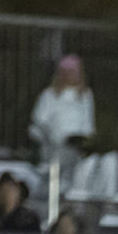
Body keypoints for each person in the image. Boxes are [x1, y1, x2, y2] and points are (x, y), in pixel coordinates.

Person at [29, 55, 96, 197]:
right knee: (59, 159)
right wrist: (51, 138)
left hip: (78, 147)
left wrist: (84, 143)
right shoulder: (49, 95)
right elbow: (38, 123)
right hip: (54, 147)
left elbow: (88, 125)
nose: (68, 76)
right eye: (65, 72)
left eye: (72, 72)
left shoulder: (85, 96)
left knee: (97, 162)